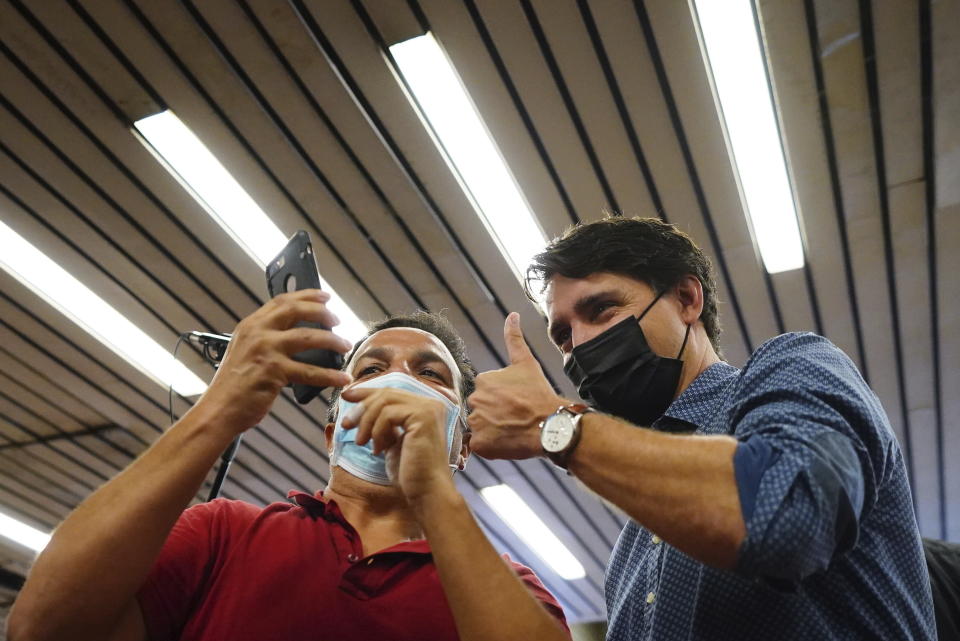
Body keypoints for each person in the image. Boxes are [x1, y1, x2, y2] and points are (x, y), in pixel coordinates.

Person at [467, 216, 936, 640]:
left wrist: (553, 424)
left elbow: (790, 516)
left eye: (602, 311)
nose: (580, 345)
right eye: (563, 335)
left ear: (687, 299)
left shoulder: (794, 364)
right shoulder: (629, 557)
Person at [7, 291, 568, 641]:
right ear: (333, 432)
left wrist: (430, 493)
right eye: (370, 369)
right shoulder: (223, 534)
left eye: (431, 376)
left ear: (462, 444)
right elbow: (40, 629)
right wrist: (219, 410)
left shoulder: (509, 588)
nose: (397, 383)